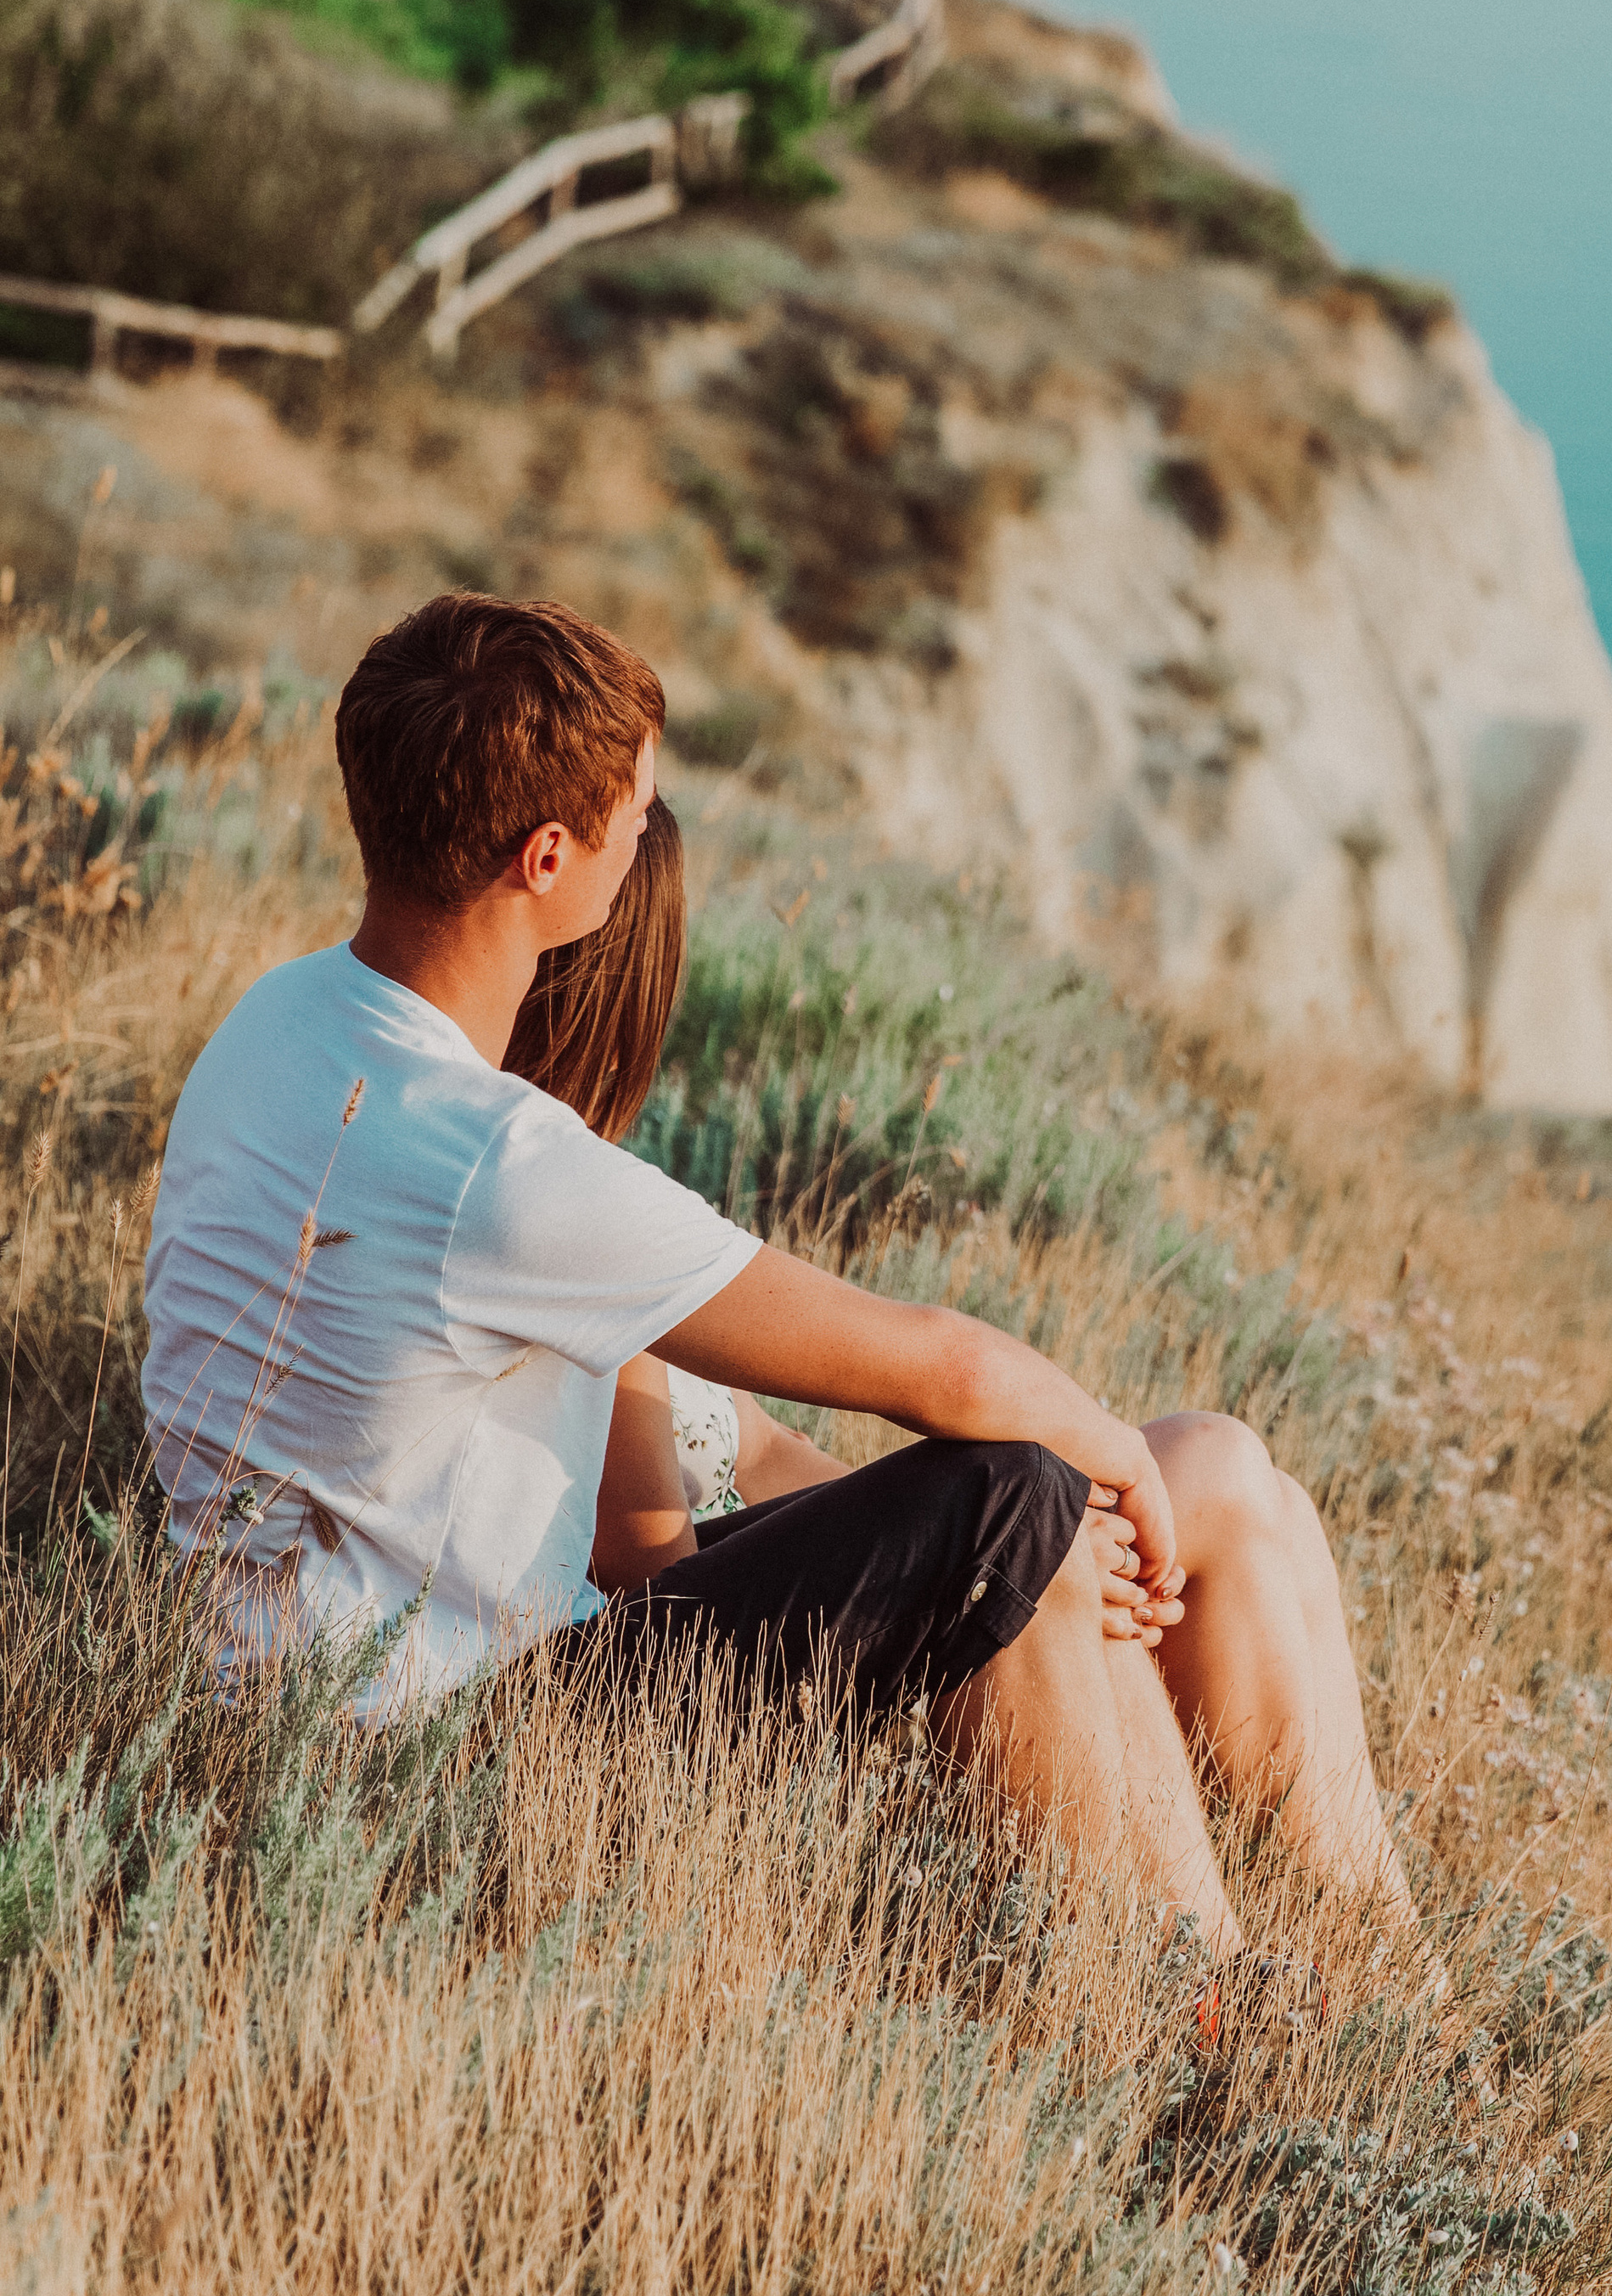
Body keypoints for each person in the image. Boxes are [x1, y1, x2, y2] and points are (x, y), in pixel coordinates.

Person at [143, 594, 1412, 1986]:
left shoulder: (276, 1021)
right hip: (448, 1757)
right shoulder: (494, 1161)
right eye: (632, 811)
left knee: (1093, 1495)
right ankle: (1190, 2009)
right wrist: (1117, 1461)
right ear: (546, 858)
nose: (649, 831)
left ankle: (1344, 1979)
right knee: (1011, 1495)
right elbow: (942, 1370)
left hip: (330, 1712)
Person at [506, 802, 1416, 1940]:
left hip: (754, 1599)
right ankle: (1222, 1989)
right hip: (663, 1678)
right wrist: (982, 1560)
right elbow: (648, 1567)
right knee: (1050, 1522)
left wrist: (967, 1539)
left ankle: (1388, 1973)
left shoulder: (588, 1184)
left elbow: (765, 1451)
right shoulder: (555, 1209)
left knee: (1223, 1469)